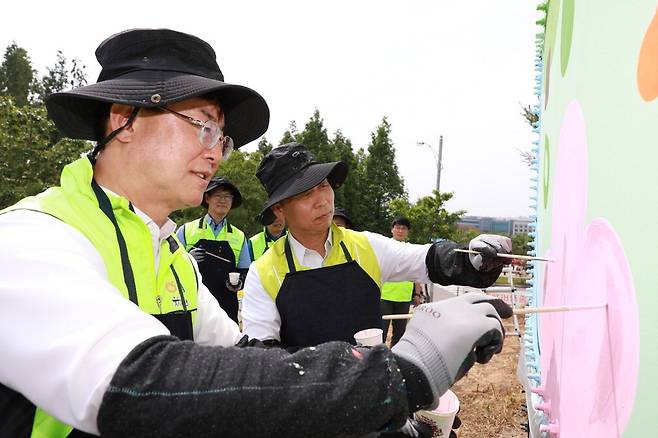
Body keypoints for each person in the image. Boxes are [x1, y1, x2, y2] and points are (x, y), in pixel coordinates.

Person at [0, 29, 512, 438]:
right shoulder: (32, 240)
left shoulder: (169, 250)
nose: (216, 153)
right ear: (124, 119)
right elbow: (136, 385)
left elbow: (235, 365)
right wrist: (396, 374)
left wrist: (354, 416)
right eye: (202, 126)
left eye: (221, 137)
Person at [242, 142, 513, 351]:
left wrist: (473, 256)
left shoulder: (365, 246)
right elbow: (265, 360)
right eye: (304, 194)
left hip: (374, 398)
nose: (322, 200)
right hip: (305, 407)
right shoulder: (263, 273)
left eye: (323, 185)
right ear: (279, 209)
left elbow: (426, 260)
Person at [176, 176, 249, 322]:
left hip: (227, 307)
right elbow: (173, 266)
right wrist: (188, 259)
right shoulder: (185, 231)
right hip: (194, 303)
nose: (223, 200)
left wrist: (238, 282)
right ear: (207, 198)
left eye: (227, 196)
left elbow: (245, 271)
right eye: (218, 195)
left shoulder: (239, 236)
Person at [381, 217, 418, 346]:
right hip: (384, 295)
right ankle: (378, 361)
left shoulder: (411, 249)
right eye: (398, 227)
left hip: (404, 297)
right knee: (381, 332)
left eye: (404, 228)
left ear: (408, 232)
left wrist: (417, 294)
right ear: (392, 229)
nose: (400, 231)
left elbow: (416, 272)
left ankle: (394, 360)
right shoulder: (384, 246)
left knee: (400, 333)